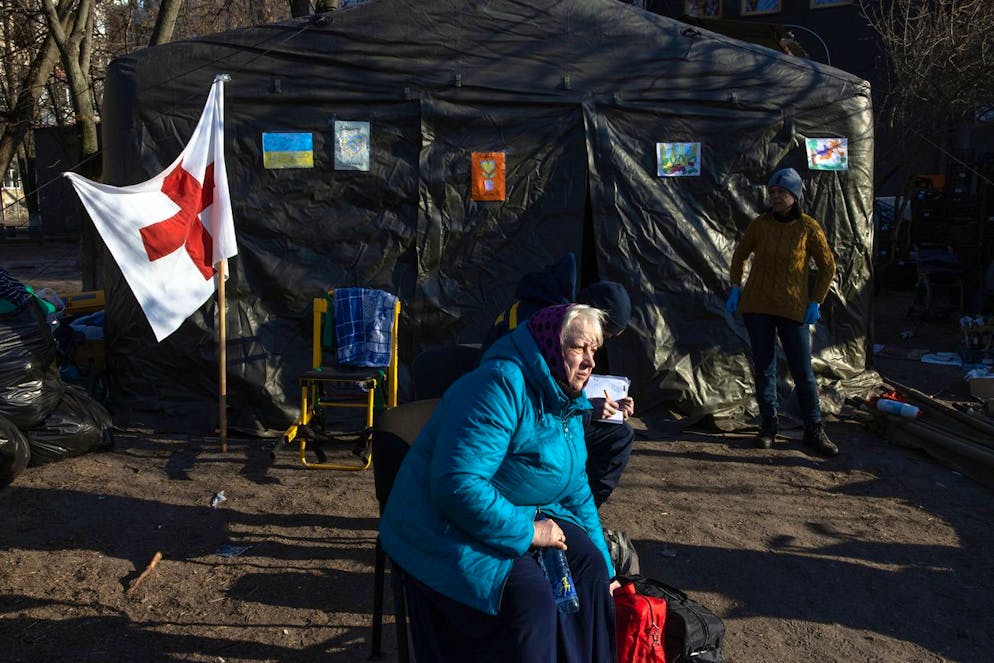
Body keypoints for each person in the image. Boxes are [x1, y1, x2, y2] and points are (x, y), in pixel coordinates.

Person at [380, 304, 618, 662]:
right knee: (533, 599)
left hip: (517, 509)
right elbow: (457, 484)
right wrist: (530, 531)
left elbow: (577, 490)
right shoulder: (499, 386)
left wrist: (610, 571)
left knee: (592, 573)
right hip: (440, 522)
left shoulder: (566, 399)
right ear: (552, 346)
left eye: (593, 350)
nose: (589, 362)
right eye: (578, 348)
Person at [481, 254, 636, 507]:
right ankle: (565, 510)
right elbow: (536, 402)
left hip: (528, 411)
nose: (591, 359)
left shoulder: (543, 312)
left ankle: (575, 510)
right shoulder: (545, 328)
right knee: (616, 437)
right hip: (514, 421)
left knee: (616, 432)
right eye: (602, 335)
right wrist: (587, 410)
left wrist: (606, 406)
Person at [725, 167, 838, 456]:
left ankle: (814, 428)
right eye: (772, 192)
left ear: (795, 195)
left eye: (782, 192)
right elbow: (740, 254)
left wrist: (815, 301)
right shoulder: (760, 225)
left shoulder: (807, 228)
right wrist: (736, 287)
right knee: (764, 368)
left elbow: (827, 266)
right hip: (757, 306)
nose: (775, 197)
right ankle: (768, 426)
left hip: (793, 307)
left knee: (802, 371)